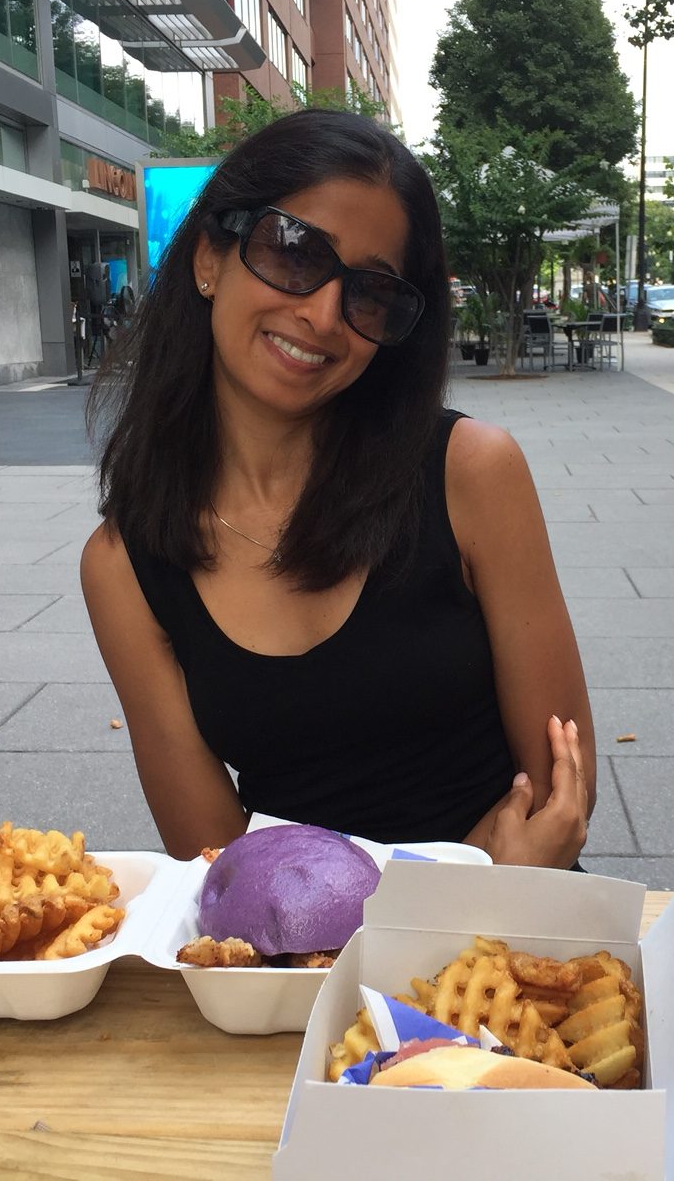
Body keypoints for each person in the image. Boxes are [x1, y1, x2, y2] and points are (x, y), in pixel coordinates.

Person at [81, 109, 593, 869]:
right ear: (208, 259)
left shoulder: (471, 473)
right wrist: (395, 921)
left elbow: (558, 801)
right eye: (294, 253)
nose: (323, 316)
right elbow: (214, 861)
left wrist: (450, 916)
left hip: (498, 954)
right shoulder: (124, 565)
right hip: (292, 971)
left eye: (370, 294)